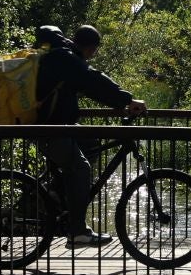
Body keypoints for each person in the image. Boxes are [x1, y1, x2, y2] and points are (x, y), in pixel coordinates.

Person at [34, 23, 147, 250]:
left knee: (88, 146)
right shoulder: (65, 59)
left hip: (54, 127)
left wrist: (118, 105)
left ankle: (60, 192)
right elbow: (93, 79)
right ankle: (77, 232)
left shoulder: (59, 57)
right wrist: (127, 100)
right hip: (50, 129)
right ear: (92, 48)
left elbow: (88, 87)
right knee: (81, 168)